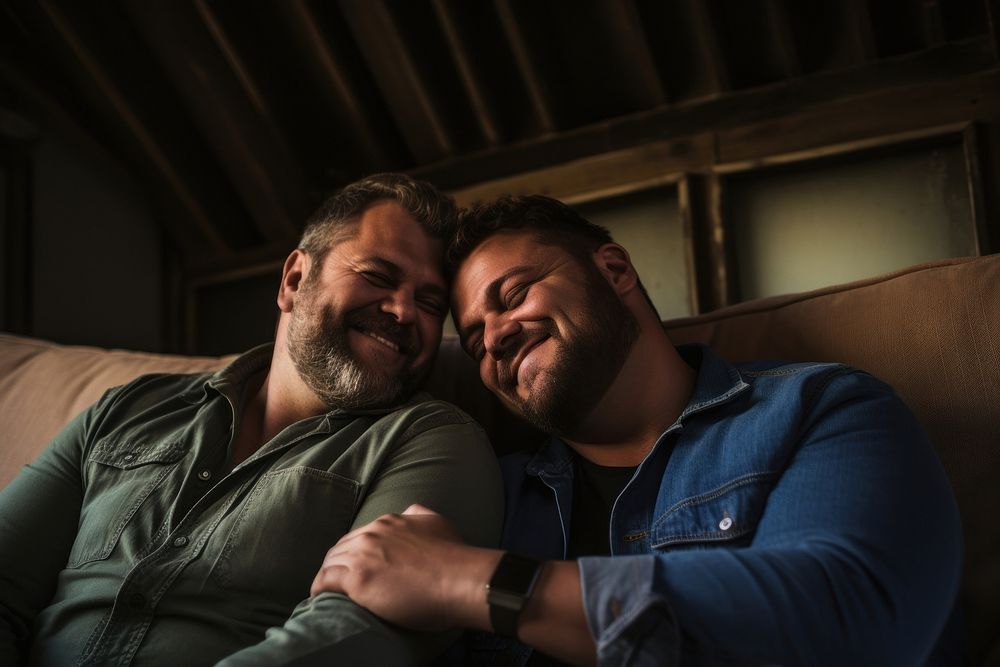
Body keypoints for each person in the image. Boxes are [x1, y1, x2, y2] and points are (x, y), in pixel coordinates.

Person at [311, 194, 964, 665]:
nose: (497, 338)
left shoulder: (822, 407)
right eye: (475, 340)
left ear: (615, 272)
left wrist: (474, 581)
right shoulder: (495, 495)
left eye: (511, 297)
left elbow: (852, 621)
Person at [0, 173, 503, 666]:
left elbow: (360, 635)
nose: (403, 311)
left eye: (431, 302)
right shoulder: (125, 408)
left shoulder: (432, 441)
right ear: (294, 280)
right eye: (378, 276)